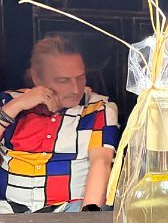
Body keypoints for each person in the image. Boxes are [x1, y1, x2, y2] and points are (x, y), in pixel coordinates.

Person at [0, 36, 119, 213]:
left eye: (80, 78)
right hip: (7, 209)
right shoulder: (9, 102)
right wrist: (16, 106)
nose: (76, 89)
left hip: (69, 209)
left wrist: (87, 220)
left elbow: (101, 163)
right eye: (63, 81)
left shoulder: (99, 108)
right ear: (37, 78)